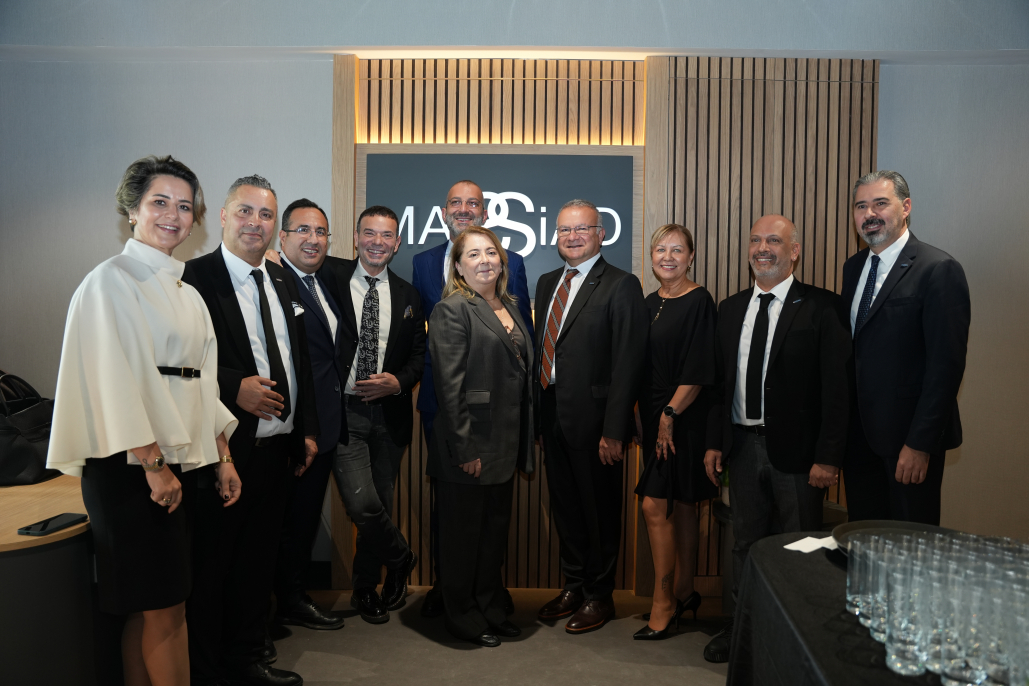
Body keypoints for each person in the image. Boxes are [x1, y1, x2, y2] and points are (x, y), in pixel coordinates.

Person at [47, 155, 241, 686]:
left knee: (151, 608)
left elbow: (203, 383)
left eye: (185, 206)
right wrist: (153, 464)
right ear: (132, 209)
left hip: (177, 466)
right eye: (160, 202)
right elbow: (110, 382)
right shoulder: (109, 281)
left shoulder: (187, 293)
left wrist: (223, 456)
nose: (173, 215)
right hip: (132, 469)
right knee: (165, 609)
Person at [182, 175, 319, 686]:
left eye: (265, 215)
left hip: (277, 451)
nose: (254, 223)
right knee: (213, 568)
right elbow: (175, 362)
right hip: (224, 452)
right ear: (222, 216)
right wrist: (232, 386)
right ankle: (208, 671)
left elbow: (298, 360)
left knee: (256, 566)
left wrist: (305, 429)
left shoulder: (282, 279)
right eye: (245, 211)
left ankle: (247, 660)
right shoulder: (193, 278)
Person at [702, 214, 850, 663]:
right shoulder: (730, 309)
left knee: (799, 546)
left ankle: (795, 639)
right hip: (742, 449)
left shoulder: (823, 307)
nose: (762, 248)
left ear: (794, 251)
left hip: (800, 457)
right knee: (745, 545)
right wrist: (714, 443)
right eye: (755, 240)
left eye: (773, 240)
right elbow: (718, 385)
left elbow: (837, 389)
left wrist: (828, 456)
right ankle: (742, 629)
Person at [410, 180, 532, 617]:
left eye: (491, 253)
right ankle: (456, 604)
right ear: (457, 267)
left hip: (503, 428)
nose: (485, 261)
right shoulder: (445, 297)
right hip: (460, 422)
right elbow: (445, 371)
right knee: (460, 522)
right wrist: (462, 441)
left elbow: (519, 358)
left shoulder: (510, 302)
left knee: (491, 526)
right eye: (474, 255)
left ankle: (486, 601)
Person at [533, 199, 648, 634]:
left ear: (600, 234)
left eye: (582, 229)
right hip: (553, 418)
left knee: (599, 512)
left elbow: (628, 363)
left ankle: (600, 595)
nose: (573, 236)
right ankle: (574, 585)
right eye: (565, 230)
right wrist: (538, 421)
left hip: (598, 424)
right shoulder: (547, 282)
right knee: (566, 509)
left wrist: (614, 430)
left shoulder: (621, 284)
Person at [840, 171, 970, 525]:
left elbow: (946, 368)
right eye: (861, 206)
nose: (869, 214)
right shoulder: (853, 268)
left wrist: (920, 444)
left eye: (880, 203)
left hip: (908, 444)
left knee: (911, 545)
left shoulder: (938, 269)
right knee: (863, 541)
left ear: (906, 207)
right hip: (859, 442)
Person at [318, 206, 425, 623]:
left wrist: (397, 382)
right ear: (356, 238)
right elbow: (289, 263)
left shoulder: (409, 295)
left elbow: (419, 357)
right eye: (369, 233)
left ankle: (365, 587)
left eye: (386, 236)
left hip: (390, 415)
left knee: (380, 502)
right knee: (362, 504)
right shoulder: (329, 275)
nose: (377, 242)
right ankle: (400, 557)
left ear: (397, 243)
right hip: (345, 413)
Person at [633, 224, 718, 640]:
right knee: (683, 504)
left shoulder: (700, 300)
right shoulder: (649, 303)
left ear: (691, 256)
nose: (668, 257)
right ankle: (685, 591)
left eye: (677, 250)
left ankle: (663, 602)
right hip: (654, 416)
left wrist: (669, 414)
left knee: (653, 506)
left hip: (683, 415)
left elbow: (701, 369)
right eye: (660, 250)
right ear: (651, 257)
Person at [270, 199, 346, 635]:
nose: (313, 239)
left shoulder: (325, 280)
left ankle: (291, 599)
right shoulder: (273, 282)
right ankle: (279, 604)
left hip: (327, 426)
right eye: (303, 230)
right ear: (282, 237)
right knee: (283, 524)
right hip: (297, 427)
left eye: (320, 232)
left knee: (302, 520)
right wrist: (305, 430)